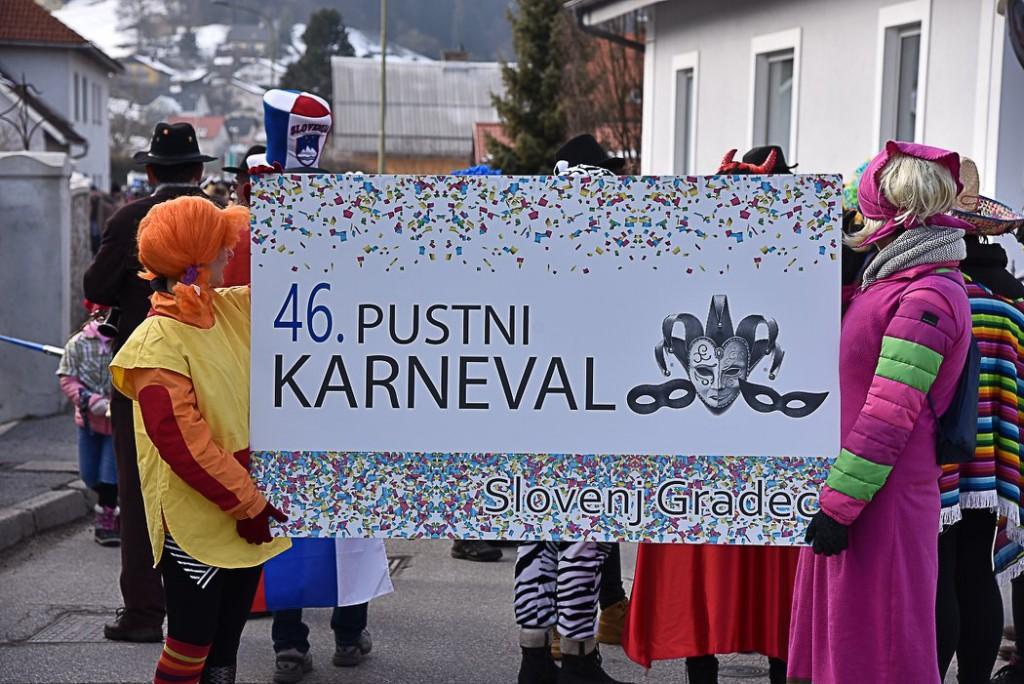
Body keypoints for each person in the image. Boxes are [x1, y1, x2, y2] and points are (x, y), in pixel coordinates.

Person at [787, 141, 974, 684]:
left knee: (878, 652)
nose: (859, 217)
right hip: (862, 489)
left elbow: (890, 415)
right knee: (847, 648)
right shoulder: (894, 282)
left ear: (893, 213)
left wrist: (840, 505)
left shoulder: (928, 297)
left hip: (880, 499)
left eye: (866, 207)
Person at [621, 146, 798, 684]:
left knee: (749, 580)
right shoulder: (803, 256)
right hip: (726, 454)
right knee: (761, 585)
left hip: (761, 454)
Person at [231, 89, 381, 684]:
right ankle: (348, 633)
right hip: (339, 392)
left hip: (271, 398)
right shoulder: (349, 226)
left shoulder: (235, 234)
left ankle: (290, 642)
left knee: (287, 517)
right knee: (344, 516)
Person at [109, 195, 291, 684]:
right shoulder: (156, 344)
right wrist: (247, 502)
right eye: (222, 245)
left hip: (242, 511)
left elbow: (299, 286)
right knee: (191, 645)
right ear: (198, 258)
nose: (232, 252)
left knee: (225, 649)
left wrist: (291, 208)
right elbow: (181, 444)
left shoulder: (227, 310)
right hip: (198, 520)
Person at [84, 121, 218, 643]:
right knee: (209, 476)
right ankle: (212, 602)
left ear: (149, 170)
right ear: (201, 170)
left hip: (143, 365)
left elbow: (96, 285)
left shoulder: (129, 217)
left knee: (141, 487)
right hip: (211, 361)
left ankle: (144, 611)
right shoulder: (219, 221)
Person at [513, 157, 629, 684]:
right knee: (583, 541)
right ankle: (577, 662)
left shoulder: (529, 267)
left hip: (532, 424)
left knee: (538, 538)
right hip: (587, 426)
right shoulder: (602, 276)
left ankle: (536, 660)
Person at [57, 300, 118, 546]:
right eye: (100, 314)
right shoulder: (78, 344)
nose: (104, 319)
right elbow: (67, 378)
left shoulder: (123, 342)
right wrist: (88, 399)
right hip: (89, 421)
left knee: (109, 474)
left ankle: (108, 517)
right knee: (89, 474)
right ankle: (111, 501)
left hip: (116, 423)